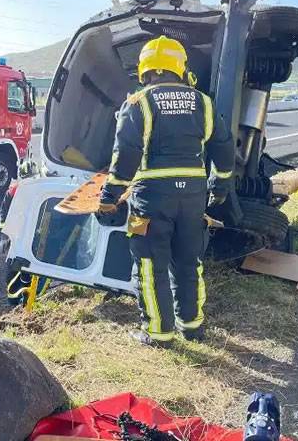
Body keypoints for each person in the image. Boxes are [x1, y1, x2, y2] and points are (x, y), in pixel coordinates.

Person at [97, 35, 234, 345]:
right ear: (180, 68)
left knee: (150, 263)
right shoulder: (203, 103)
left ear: (145, 70)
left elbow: (126, 153)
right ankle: (192, 325)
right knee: (189, 260)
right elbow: (224, 147)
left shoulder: (139, 102)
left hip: (151, 198)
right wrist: (220, 184)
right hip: (194, 197)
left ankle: (158, 332)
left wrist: (110, 196)